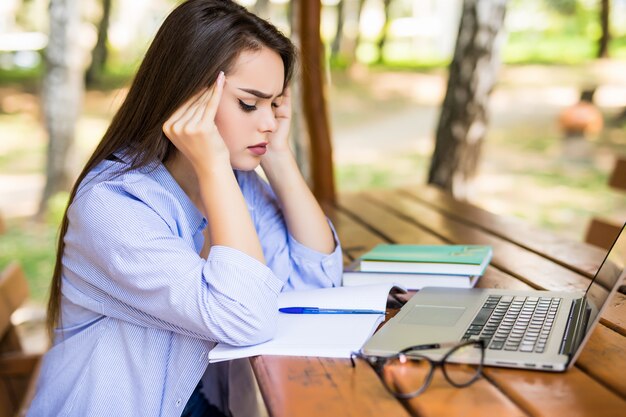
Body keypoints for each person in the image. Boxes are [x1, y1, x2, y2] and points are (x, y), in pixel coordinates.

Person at [27, 1, 343, 416]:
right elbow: (247, 317)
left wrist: (278, 157)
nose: (268, 122)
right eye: (250, 104)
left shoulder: (237, 183)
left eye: (275, 105)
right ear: (187, 99)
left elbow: (316, 278)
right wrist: (212, 165)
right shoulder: (112, 206)